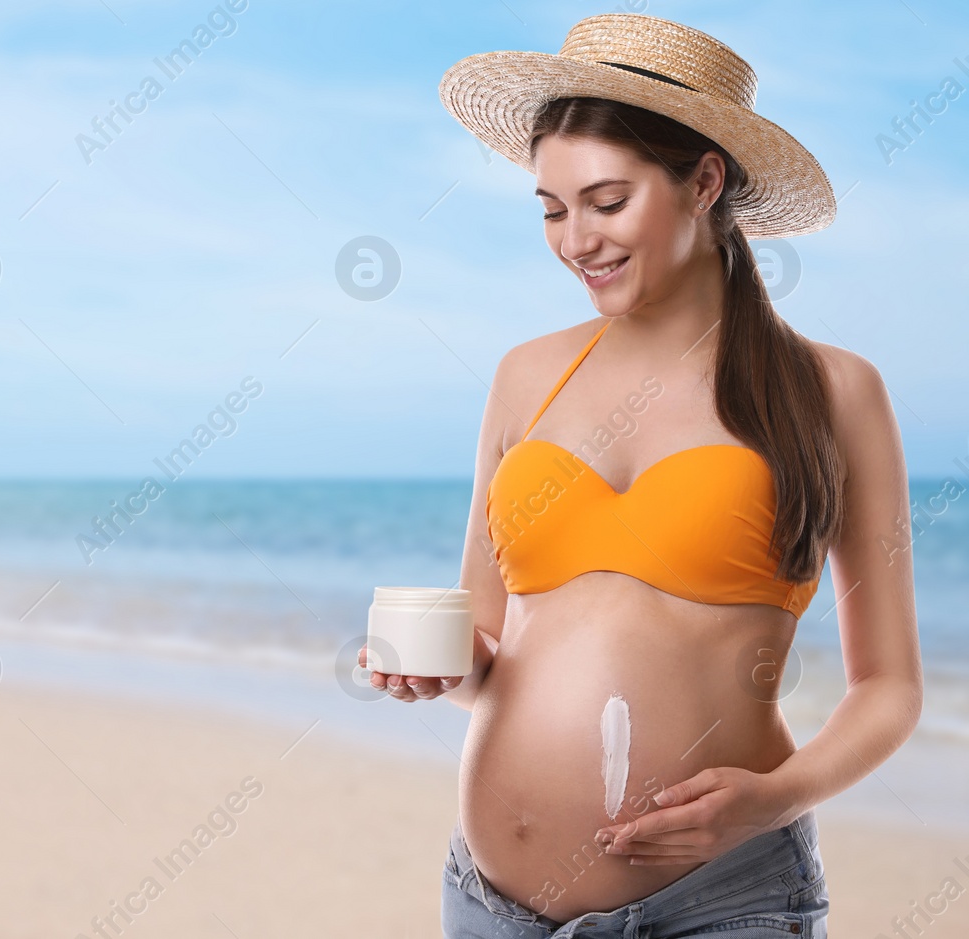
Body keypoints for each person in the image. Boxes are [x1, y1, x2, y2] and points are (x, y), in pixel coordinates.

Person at [361, 13, 922, 938]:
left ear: (704, 181)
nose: (575, 239)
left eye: (607, 201)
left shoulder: (832, 391)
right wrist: (434, 667)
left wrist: (774, 798)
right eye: (551, 207)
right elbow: (485, 647)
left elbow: (890, 687)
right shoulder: (525, 376)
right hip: (492, 906)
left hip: (723, 902)